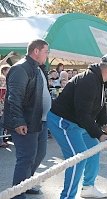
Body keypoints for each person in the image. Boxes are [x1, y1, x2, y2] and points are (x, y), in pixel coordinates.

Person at [47, 53, 107, 199]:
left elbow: (101, 106)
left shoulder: (102, 81)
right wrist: (99, 134)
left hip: (78, 122)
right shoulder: (88, 80)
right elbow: (83, 114)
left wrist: (105, 124)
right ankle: (66, 197)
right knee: (78, 158)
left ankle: (88, 187)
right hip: (63, 122)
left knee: (93, 150)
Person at [2, 39, 51, 198]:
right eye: (46, 51)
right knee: (26, 157)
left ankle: (26, 183)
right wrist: (19, 121)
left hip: (40, 120)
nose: (47, 55)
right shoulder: (20, 68)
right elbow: (14, 97)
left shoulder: (37, 68)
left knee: (39, 154)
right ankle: (17, 193)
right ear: (36, 51)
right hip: (27, 121)